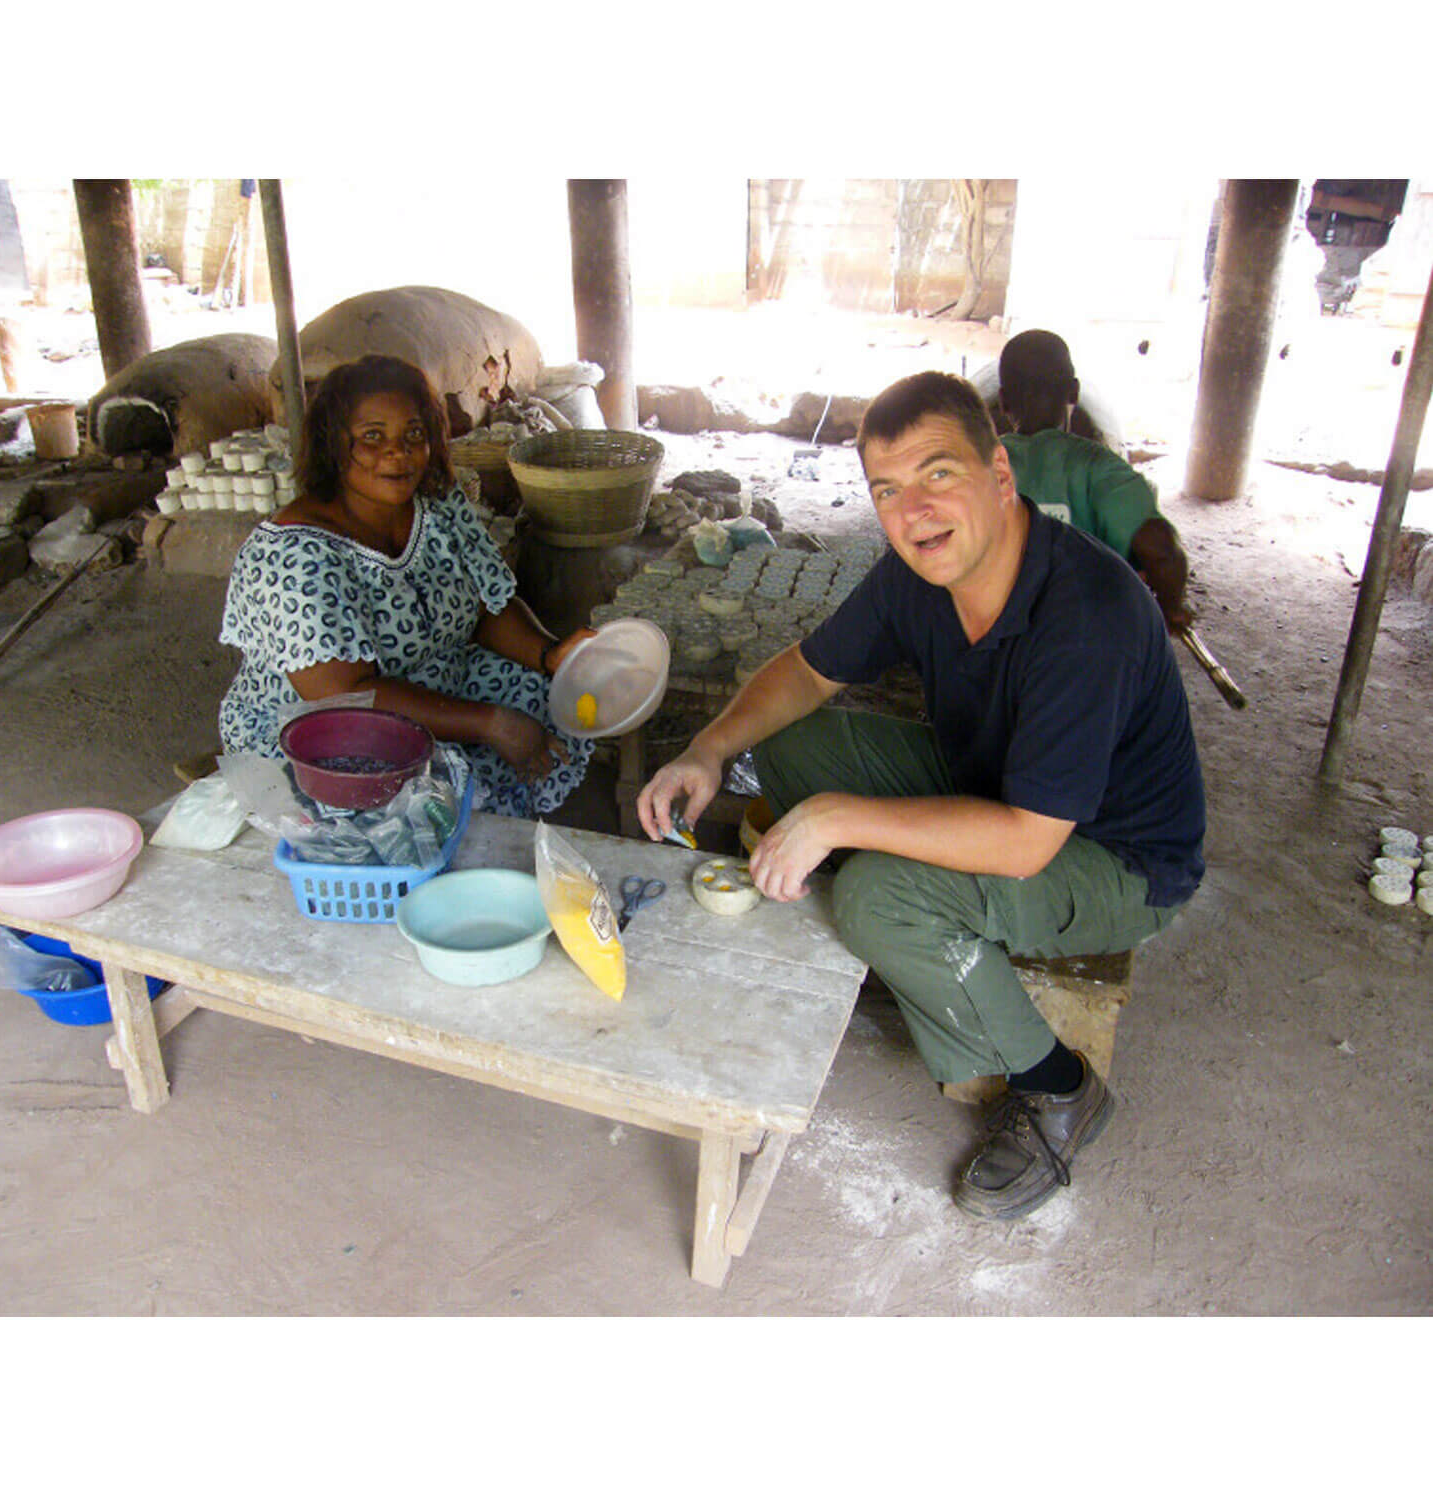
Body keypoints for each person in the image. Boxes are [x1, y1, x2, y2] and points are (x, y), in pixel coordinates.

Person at [637, 371, 1206, 1222]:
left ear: (1001, 477)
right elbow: (807, 670)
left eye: (939, 474)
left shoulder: (1085, 615)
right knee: (792, 745)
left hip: (1111, 857)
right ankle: (912, 942)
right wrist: (708, 748)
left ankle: (1057, 1092)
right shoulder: (919, 573)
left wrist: (837, 820)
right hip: (998, 790)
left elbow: (1025, 843)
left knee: (877, 894)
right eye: (889, 490)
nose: (914, 512)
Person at [219, 354, 593, 816]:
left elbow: (485, 604)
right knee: (412, 803)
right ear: (334, 444)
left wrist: (548, 655)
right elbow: (345, 695)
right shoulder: (294, 556)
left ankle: (519, 822)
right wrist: (491, 723)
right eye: (372, 437)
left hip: (436, 682)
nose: (397, 452)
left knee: (556, 699)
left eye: (413, 434)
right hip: (327, 728)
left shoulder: (435, 505)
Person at [997, 328, 1193, 632]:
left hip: (999, 637)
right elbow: (1160, 550)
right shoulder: (1102, 469)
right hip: (1089, 639)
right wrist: (1172, 608)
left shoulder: (981, 466)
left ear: (1004, 402)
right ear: (1074, 392)